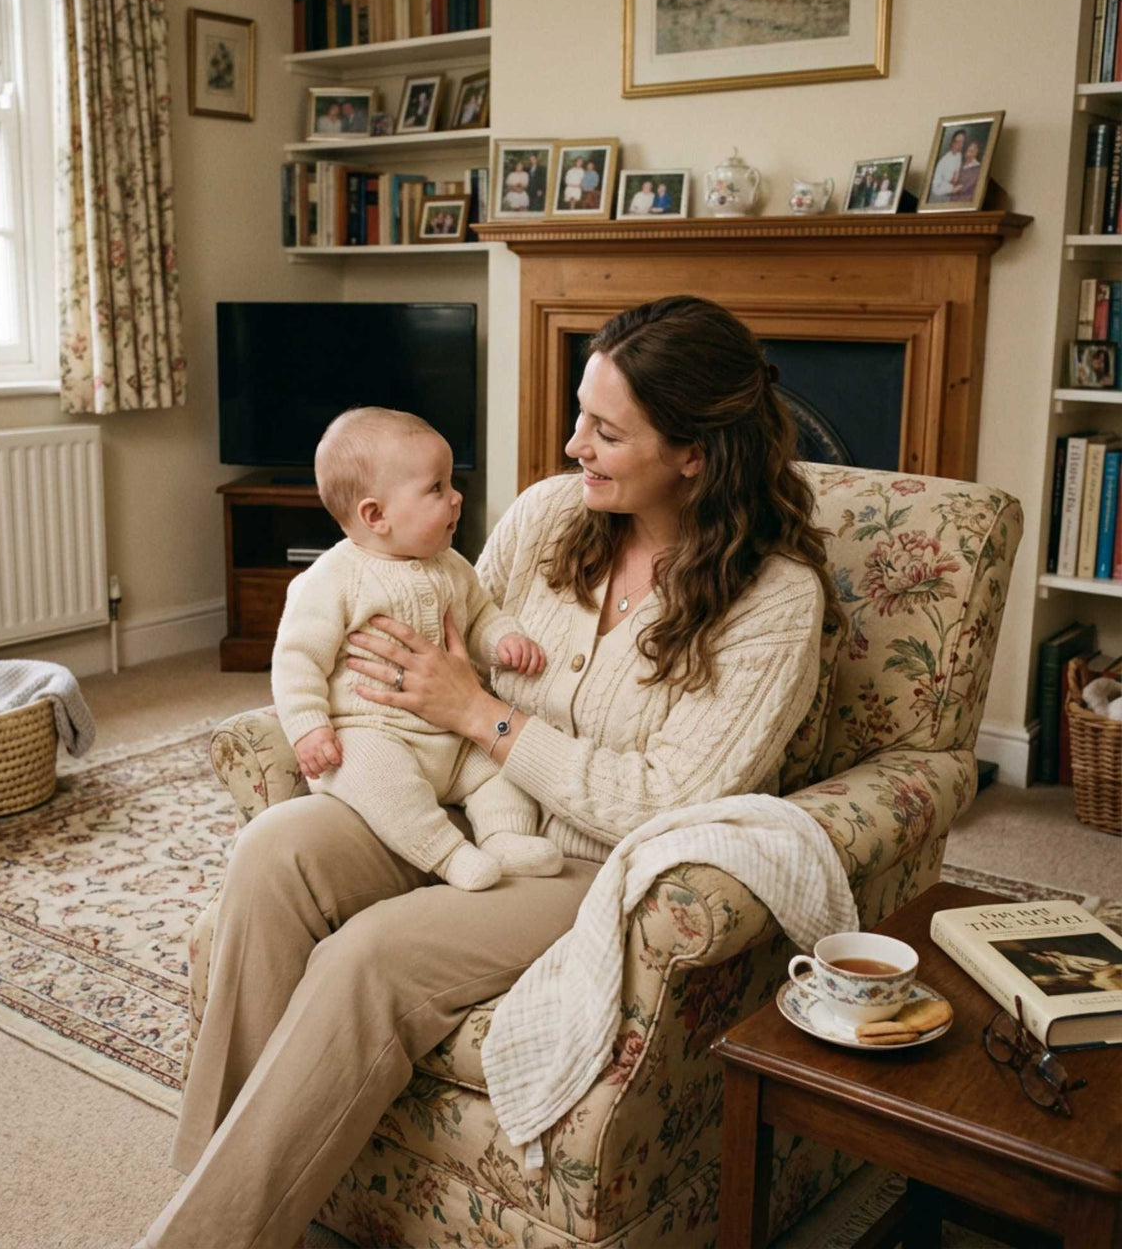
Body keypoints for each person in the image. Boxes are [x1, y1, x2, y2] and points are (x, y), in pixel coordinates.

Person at [134, 295, 839, 1249]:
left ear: (694, 455)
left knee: (368, 959)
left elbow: (670, 798)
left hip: (587, 868)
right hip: (443, 794)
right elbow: (441, 625)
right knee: (274, 849)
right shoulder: (554, 514)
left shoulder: (774, 600)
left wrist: (483, 716)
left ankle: (206, 1240)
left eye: (604, 429)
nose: (572, 442)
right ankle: (234, 1187)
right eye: (580, 414)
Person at [272, 407, 561, 891]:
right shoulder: (331, 580)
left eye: (450, 483)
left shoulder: (452, 566)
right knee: (381, 782)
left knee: (501, 767)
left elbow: (481, 615)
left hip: (452, 735)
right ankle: (449, 856)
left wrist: (503, 639)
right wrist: (308, 729)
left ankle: (506, 838)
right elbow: (297, 658)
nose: (456, 497)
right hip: (373, 732)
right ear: (375, 514)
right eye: (437, 488)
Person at [929, 128, 967, 202]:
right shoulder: (943, 161)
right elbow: (935, 188)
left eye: (962, 142)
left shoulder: (960, 155)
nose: (960, 144)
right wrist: (952, 189)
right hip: (942, 197)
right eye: (957, 141)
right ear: (952, 143)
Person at [950, 138, 983, 203]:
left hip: (966, 200)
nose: (969, 153)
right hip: (953, 200)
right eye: (968, 149)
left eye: (973, 150)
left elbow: (966, 185)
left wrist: (954, 188)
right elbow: (952, 181)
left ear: (977, 152)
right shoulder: (960, 165)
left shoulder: (978, 168)